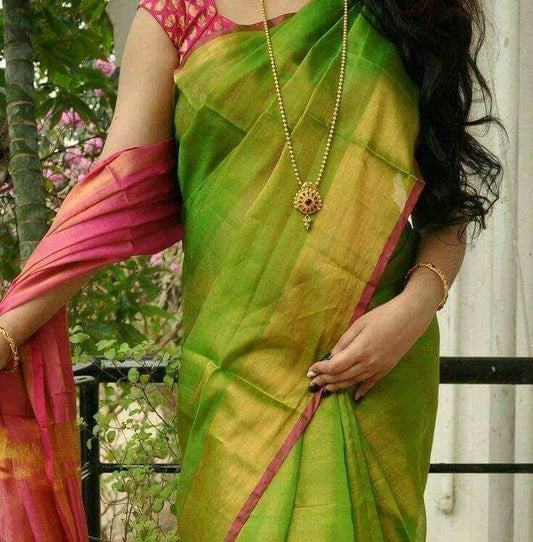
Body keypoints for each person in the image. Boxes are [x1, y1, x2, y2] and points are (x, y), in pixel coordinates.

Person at [0, 0, 504, 540]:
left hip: (372, 371)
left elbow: (448, 200)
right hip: (234, 377)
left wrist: (414, 308)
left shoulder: (406, 10)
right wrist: (9, 329)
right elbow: (113, 199)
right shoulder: (175, 18)